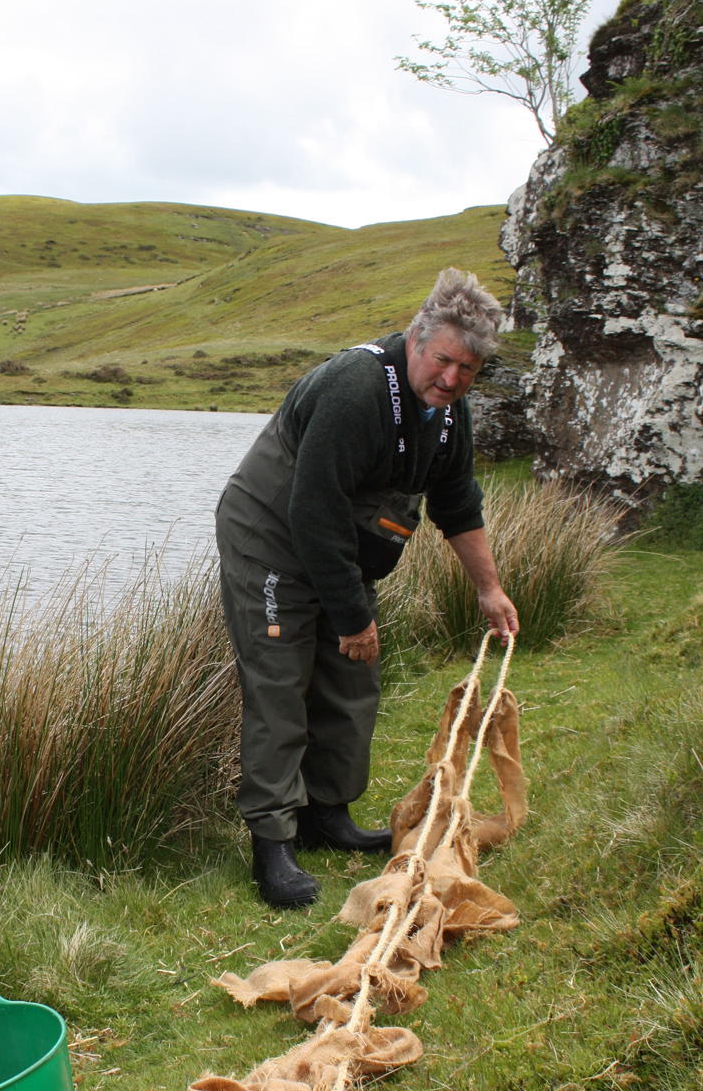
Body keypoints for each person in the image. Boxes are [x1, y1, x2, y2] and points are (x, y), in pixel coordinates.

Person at [215, 267, 519, 910]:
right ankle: (273, 842)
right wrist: (353, 615)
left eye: (468, 369)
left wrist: (489, 590)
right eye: (443, 362)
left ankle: (328, 814)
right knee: (280, 680)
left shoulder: (448, 412)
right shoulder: (357, 390)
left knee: (353, 676)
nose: (452, 379)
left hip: (333, 544)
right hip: (270, 534)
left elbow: (458, 504)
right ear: (416, 338)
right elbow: (313, 514)